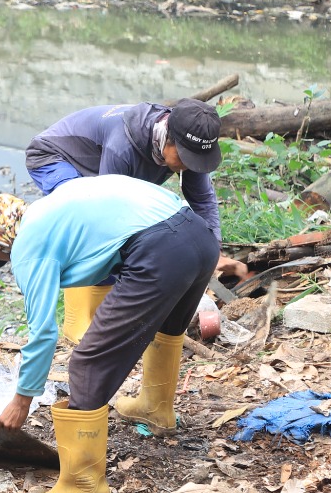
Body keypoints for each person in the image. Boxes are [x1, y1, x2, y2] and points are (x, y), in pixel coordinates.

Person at [0, 177, 217, 493]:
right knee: (168, 324)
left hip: (158, 248)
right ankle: (155, 410)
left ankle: (82, 487)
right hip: (198, 235)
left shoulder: (27, 242)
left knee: (87, 363)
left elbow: (42, 334)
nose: (2, 258)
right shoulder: (52, 208)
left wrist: (22, 399)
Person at [22, 99, 247, 342]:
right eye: (185, 159)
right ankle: (78, 326)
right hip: (56, 158)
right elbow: (105, 218)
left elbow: (203, 201)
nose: (189, 167)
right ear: (168, 138)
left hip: (100, 169)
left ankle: (102, 321)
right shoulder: (123, 147)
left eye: (196, 160)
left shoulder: (185, 139)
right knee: (89, 229)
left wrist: (212, 253)